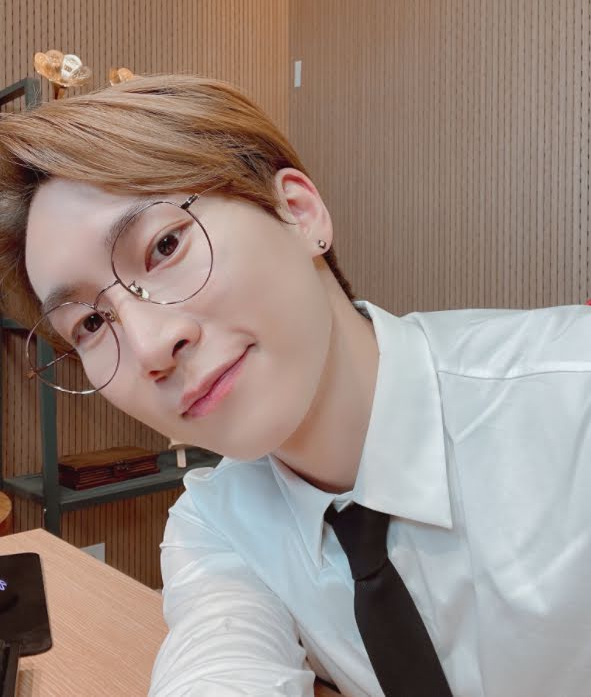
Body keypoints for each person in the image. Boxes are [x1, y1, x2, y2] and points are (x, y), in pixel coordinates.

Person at [0, 74, 589, 697]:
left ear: (298, 212)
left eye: (165, 246)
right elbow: (219, 662)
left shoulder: (570, 401)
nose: (148, 347)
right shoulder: (215, 524)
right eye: (91, 324)